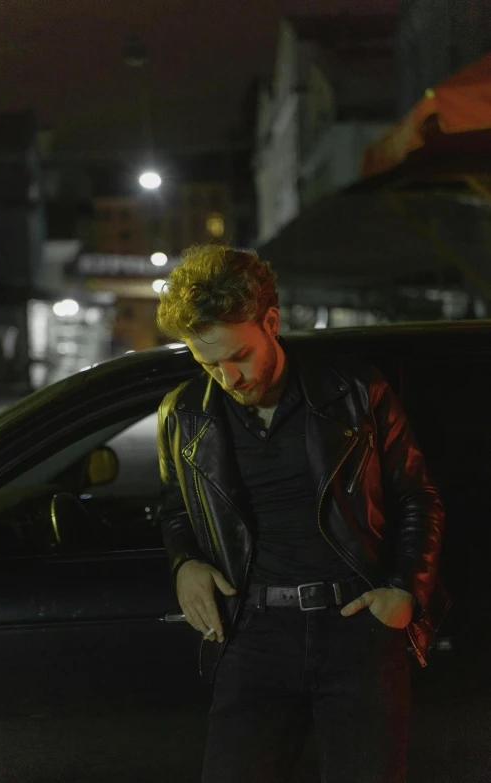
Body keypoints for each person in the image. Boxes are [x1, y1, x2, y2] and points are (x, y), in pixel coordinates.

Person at [155, 244, 450, 783]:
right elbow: (176, 509)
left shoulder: (356, 390)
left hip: (357, 629)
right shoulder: (185, 412)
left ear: (271, 321)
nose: (229, 378)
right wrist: (184, 564)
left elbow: (417, 496)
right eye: (208, 363)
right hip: (253, 634)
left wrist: (406, 590)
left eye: (238, 356)